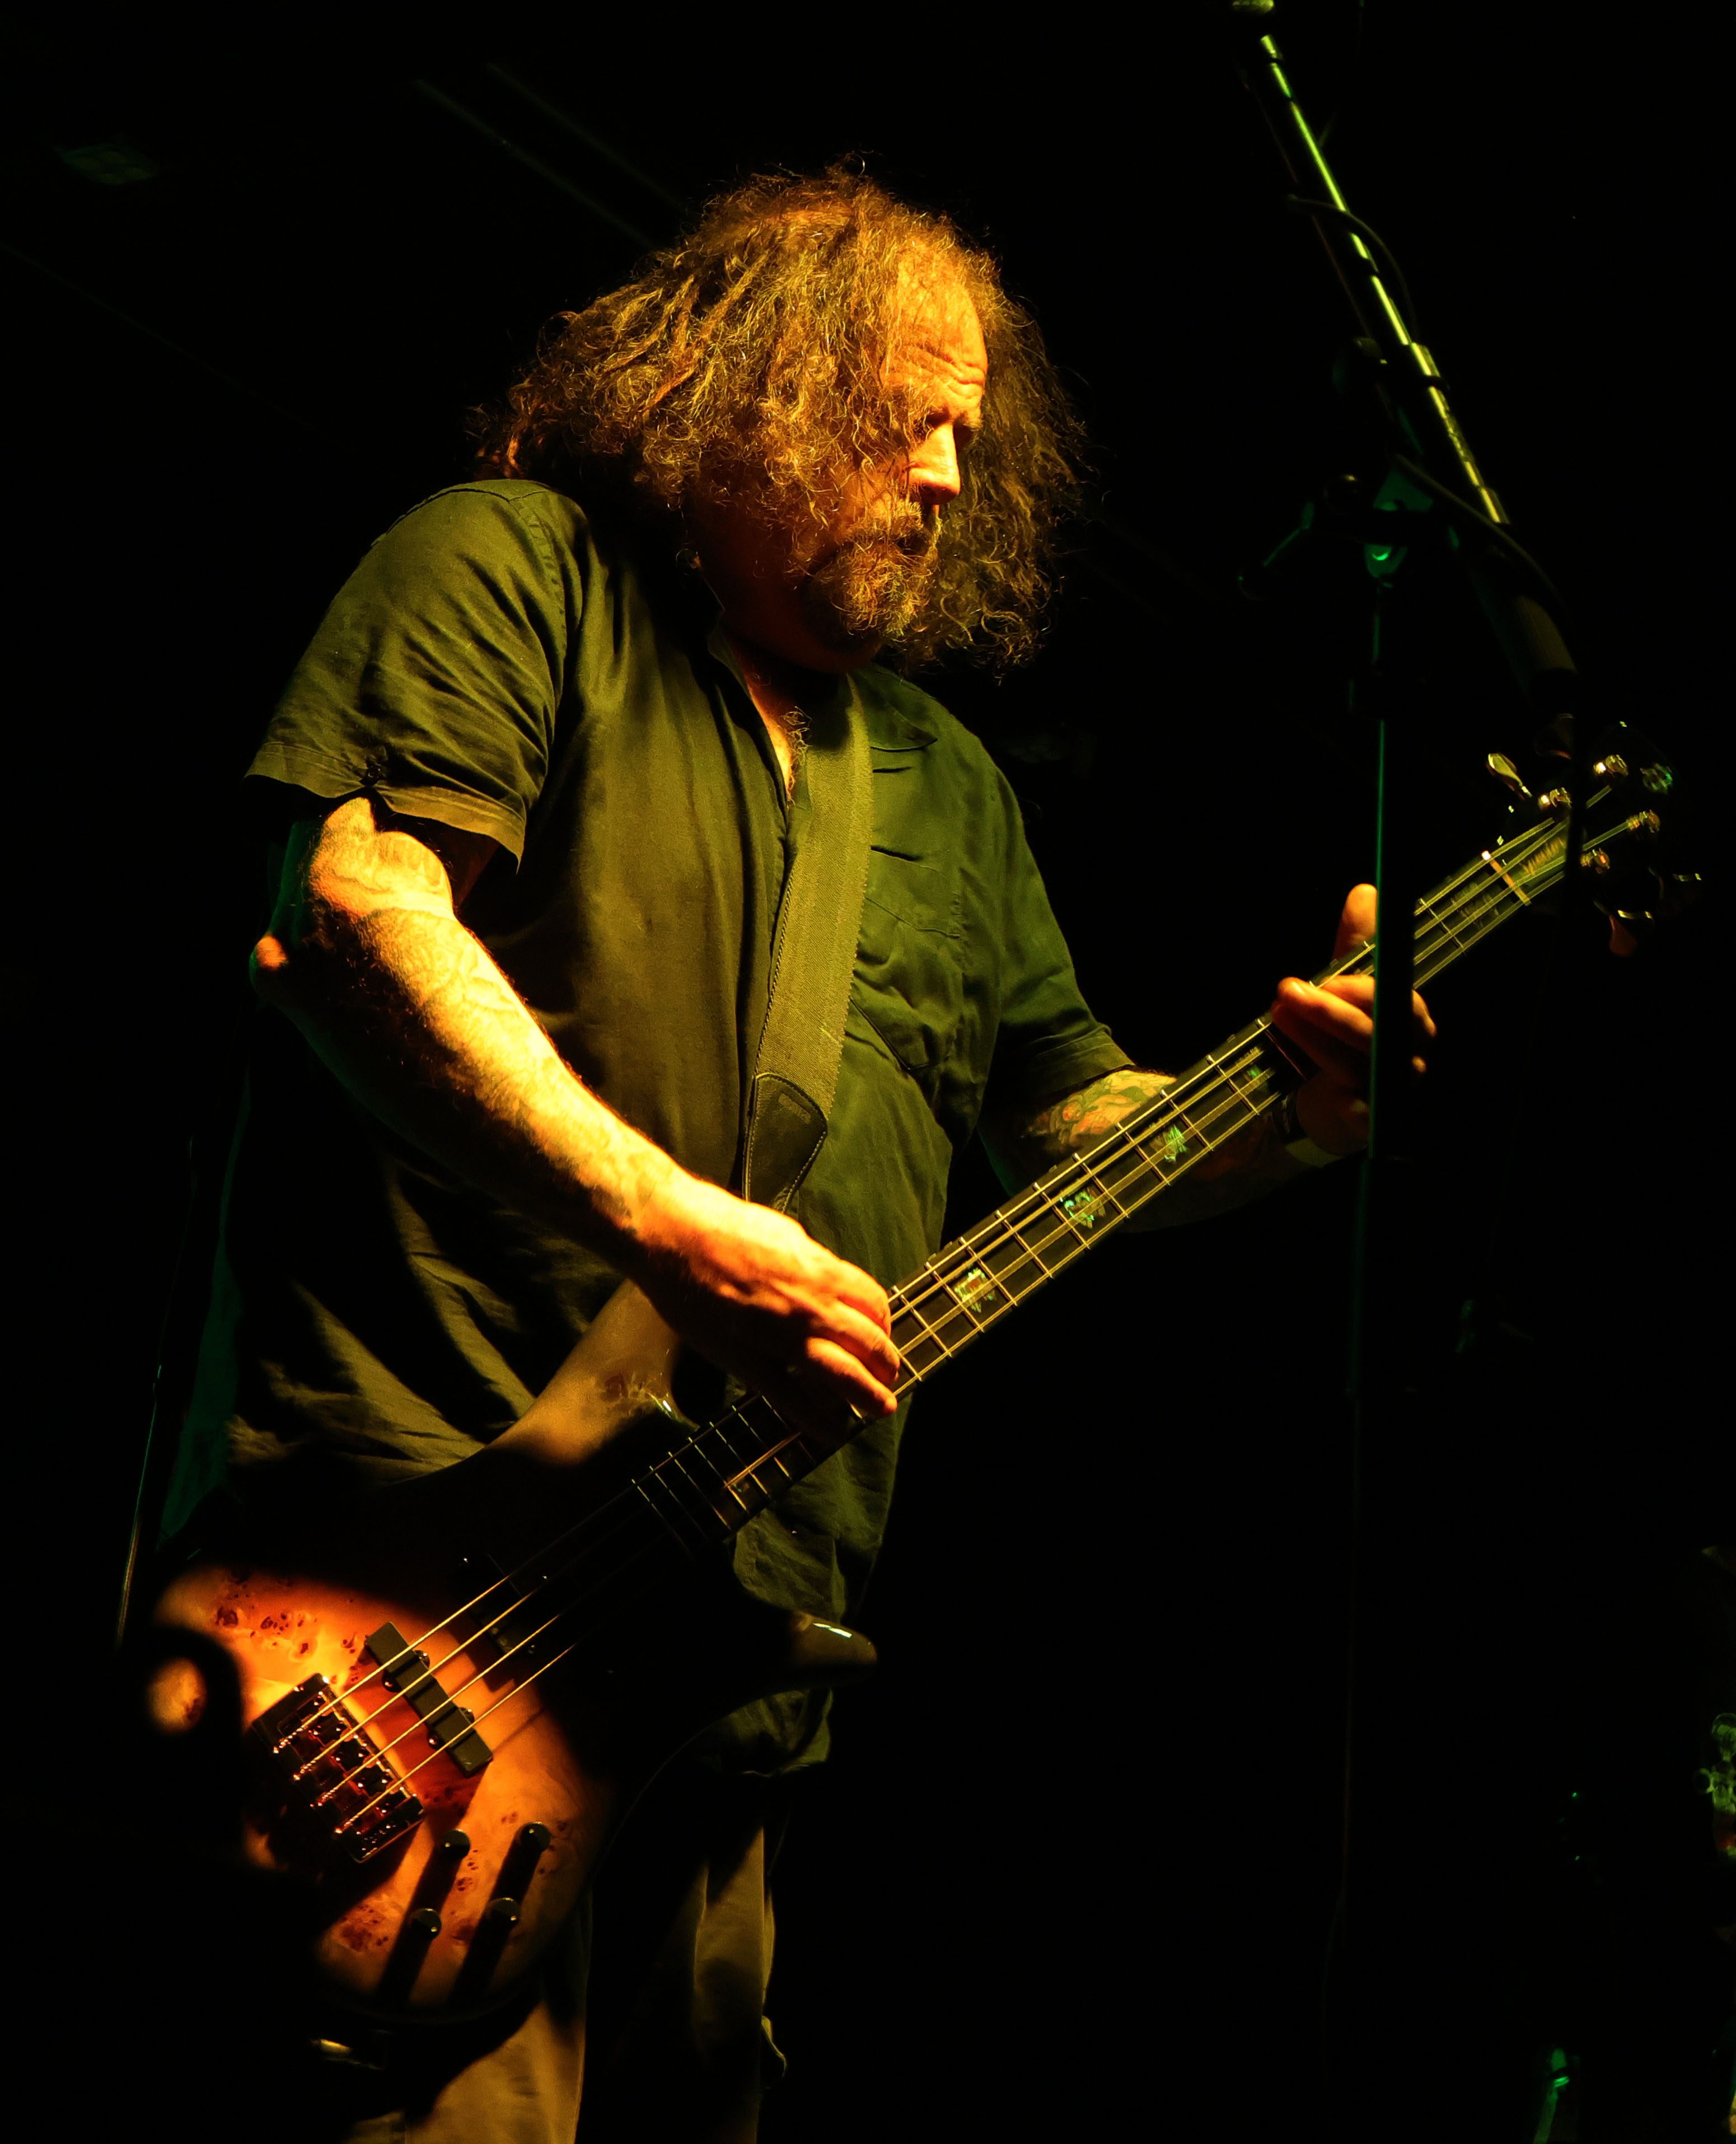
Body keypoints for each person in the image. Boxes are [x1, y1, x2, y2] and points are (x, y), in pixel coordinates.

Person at [163, 167, 1432, 2141]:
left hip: (716, 1702)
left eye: (969, 438)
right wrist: (662, 1222)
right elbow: (355, 912)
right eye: (906, 416)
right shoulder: (513, 568)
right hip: (396, 1628)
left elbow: (1076, 1129)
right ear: (757, 383)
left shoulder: (949, 787)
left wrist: (1287, 1117)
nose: (946, 475)